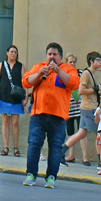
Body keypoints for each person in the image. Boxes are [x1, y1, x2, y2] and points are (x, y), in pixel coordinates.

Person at [22, 43, 78, 189]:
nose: (51, 57)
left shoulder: (68, 69)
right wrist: (40, 73)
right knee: (34, 144)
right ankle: (31, 174)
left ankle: (51, 177)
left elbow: (73, 83)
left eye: (54, 54)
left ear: (60, 57)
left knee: (55, 147)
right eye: (49, 54)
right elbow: (26, 82)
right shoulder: (38, 67)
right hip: (38, 114)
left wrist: (58, 70)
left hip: (58, 116)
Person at [64, 52, 101, 166]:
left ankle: (62, 152)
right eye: (98, 60)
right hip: (85, 108)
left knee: (82, 133)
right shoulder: (85, 73)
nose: (100, 62)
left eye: (74, 62)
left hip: (85, 107)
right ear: (92, 61)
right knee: (98, 133)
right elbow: (81, 91)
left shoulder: (86, 73)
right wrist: (96, 88)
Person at [0, 45, 26, 157]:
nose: (13, 54)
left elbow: (25, 82)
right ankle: (5, 147)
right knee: (5, 122)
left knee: (15, 123)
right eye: (11, 52)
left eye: (15, 52)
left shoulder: (20, 66)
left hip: (16, 98)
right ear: (7, 53)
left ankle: (16, 147)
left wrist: (25, 97)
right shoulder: (1, 65)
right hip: (4, 96)